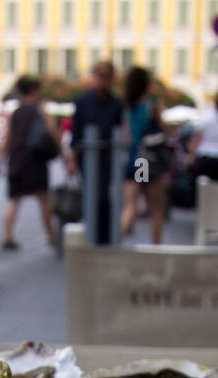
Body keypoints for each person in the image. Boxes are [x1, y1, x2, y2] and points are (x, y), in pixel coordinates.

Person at [0, 75, 61, 250]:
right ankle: (50, 234)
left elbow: (6, 138)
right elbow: (53, 131)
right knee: (44, 199)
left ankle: (8, 236)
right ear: (34, 90)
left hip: (16, 161)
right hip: (36, 161)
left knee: (14, 200)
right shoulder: (40, 110)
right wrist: (65, 153)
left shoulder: (15, 112)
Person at [67, 61, 124, 245]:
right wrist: (72, 159)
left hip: (109, 158)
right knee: (92, 193)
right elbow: (76, 133)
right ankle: (92, 232)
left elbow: (123, 134)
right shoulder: (83, 101)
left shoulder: (117, 103)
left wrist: (141, 173)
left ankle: (104, 235)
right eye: (99, 74)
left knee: (105, 195)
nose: (102, 79)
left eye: (106, 75)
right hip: (87, 157)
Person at [119, 66, 167, 244]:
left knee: (130, 206)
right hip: (147, 160)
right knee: (156, 209)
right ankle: (156, 250)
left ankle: (117, 241)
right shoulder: (152, 106)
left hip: (132, 157)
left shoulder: (126, 106)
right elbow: (162, 130)